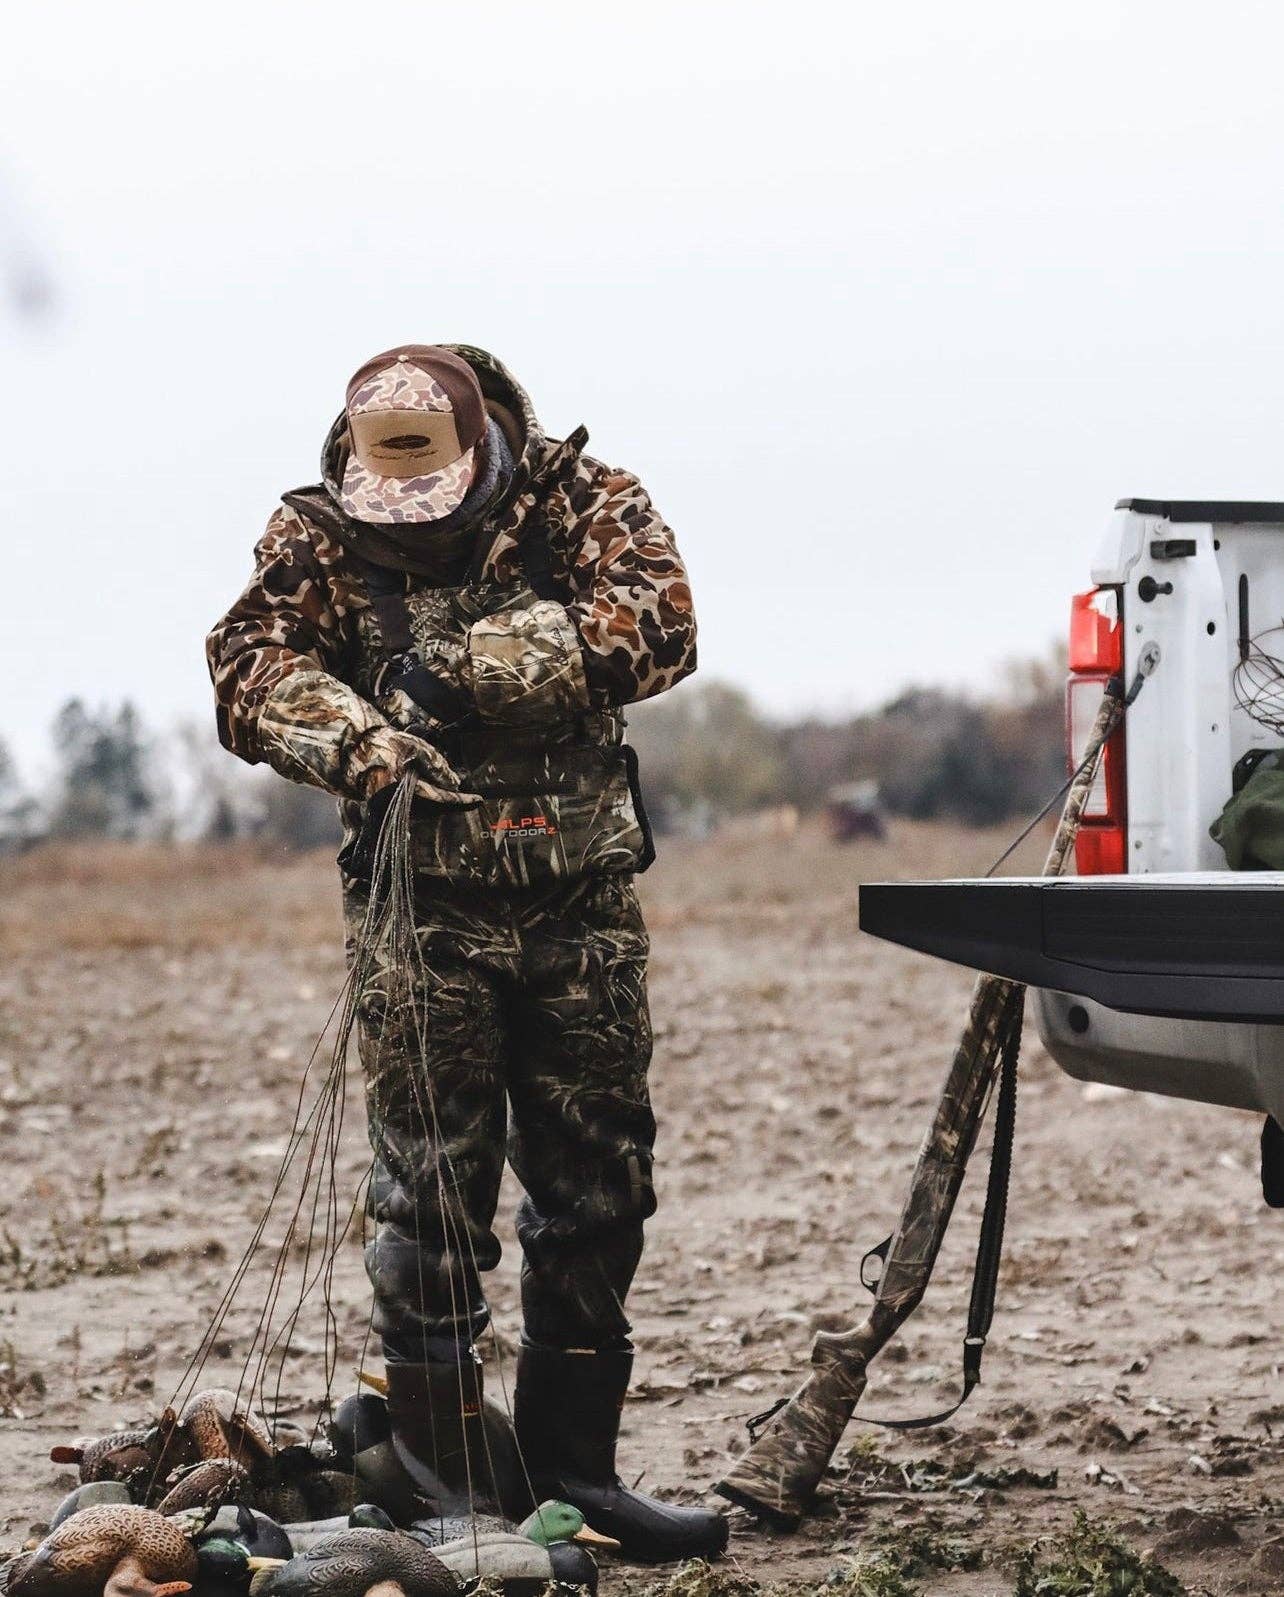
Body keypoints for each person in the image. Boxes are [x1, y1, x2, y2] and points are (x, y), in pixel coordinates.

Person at [206, 344, 726, 1560]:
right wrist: (359, 737)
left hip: (580, 904)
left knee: (600, 1186)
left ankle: (576, 1480)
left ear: (483, 445)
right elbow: (247, 668)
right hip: (419, 914)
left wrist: (459, 673)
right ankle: (447, 1492)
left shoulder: (584, 500)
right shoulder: (317, 534)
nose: (410, 521)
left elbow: (661, 623)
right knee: (429, 1194)